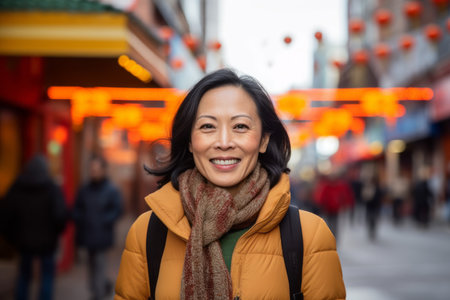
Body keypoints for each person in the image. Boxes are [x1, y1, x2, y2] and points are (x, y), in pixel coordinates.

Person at [114, 69, 346, 299]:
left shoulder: (308, 236)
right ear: (190, 142)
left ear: (264, 140)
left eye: (240, 127)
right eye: (207, 127)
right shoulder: (148, 233)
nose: (224, 142)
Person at [1, 154, 68, 300]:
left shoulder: (17, 186)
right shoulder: (52, 188)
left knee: (24, 276)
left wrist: (13, 238)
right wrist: (56, 233)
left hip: (24, 243)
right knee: (47, 276)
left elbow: (5, 215)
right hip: (47, 243)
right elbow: (60, 216)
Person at [73, 155, 123, 300]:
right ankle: (98, 288)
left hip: (102, 234)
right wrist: (81, 219)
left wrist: (104, 220)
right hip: (87, 234)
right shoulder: (84, 189)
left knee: (100, 265)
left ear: (103, 170)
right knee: (91, 265)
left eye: (96, 169)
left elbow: (117, 209)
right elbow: (77, 208)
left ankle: (99, 293)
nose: (93, 172)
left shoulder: (111, 190)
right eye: (91, 169)